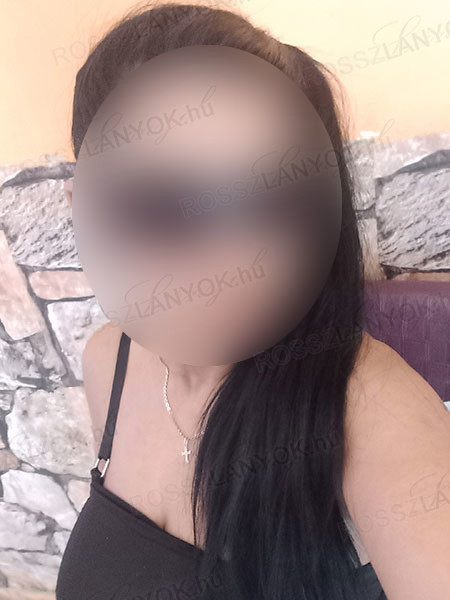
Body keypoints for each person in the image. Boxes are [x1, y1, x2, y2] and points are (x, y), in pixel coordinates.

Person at [56, 4, 450, 600]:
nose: (233, 261)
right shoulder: (107, 361)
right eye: (163, 206)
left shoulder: (369, 408)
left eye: (273, 201)